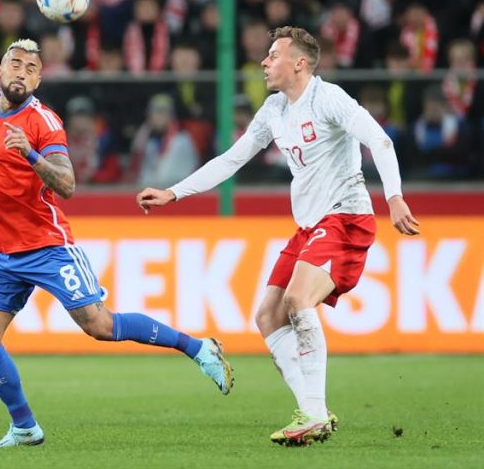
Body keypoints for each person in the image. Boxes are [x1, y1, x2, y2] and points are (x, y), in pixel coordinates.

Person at [0, 39, 233, 447]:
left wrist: (32, 155)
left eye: (31, 68)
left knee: (100, 326)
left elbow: (67, 185)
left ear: (38, 79)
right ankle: (24, 427)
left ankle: (199, 349)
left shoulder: (43, 122)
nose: (21, 71)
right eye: (14, 64)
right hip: (3, 253)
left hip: (49, 245)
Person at [136, 26, 420, 446]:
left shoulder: (329, 99)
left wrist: (393, 196)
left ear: (299, 63)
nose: (265, 62)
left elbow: (379, 139)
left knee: (297, 300)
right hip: (309, 227)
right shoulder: (273, 109)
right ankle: (313, 410)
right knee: (267, 316)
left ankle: (313, 411)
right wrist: (175, 192)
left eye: (273, 55)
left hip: (346, 218)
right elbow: (232, 158)